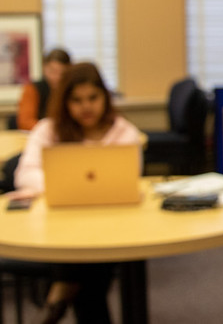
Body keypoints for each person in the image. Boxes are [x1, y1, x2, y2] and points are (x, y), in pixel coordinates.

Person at [12, 62, 142, 324]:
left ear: (105, 97)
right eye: (77, 100)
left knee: (86, 271)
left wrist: (63, 186)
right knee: (91, 283)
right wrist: (68, 186)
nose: (86, 106)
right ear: (65, 102)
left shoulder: (124, 132)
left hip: (112, 227)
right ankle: (65, 286)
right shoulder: (48, 130)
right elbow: (24, 174)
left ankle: (62, 288)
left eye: (93, 98)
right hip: (59, 226)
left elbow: (128, 179)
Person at [16, 48, 71, 130]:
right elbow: (25, 122)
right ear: (44, 68)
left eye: (62, 73)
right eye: (53, 71)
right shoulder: (32, 89)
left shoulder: (72, 90)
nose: (57, 77)